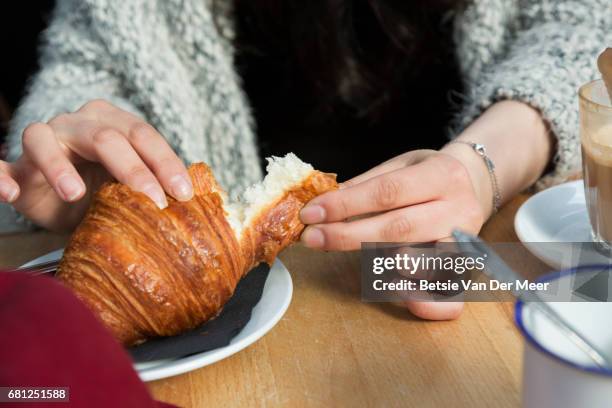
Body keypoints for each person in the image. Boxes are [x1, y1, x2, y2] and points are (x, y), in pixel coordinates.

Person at [0, 0, 608, 319]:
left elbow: (586, 25)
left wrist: (481, 165)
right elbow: (86, 65)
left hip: (469, 262)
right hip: (224, 312)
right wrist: (81, 183)